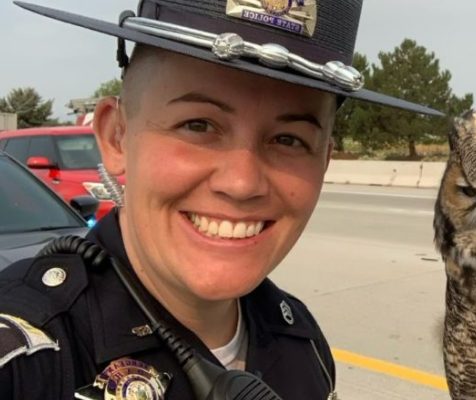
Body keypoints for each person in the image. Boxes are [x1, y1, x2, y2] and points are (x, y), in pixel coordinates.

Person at [0, 1, 440, 399]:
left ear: (324, 161)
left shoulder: (300, 340)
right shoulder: (30, 362)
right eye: (198, 125)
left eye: (288, 139)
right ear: (117, 137)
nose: (242, 182)